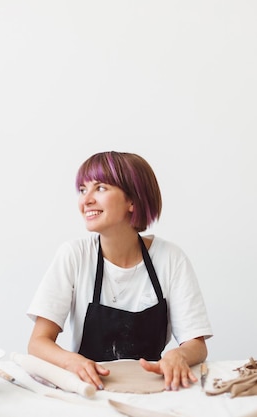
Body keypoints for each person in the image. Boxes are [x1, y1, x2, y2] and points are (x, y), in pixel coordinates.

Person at [26, 151, 212, 391]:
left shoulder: (170, 258)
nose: (86, 200)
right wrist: (72, 362)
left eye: (100, 188)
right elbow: (38, 343)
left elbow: (196, 344)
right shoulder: (74, 255)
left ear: (132, 200)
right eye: (83, 190)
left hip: (154, 390)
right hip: (90, 390)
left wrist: (178, 356)